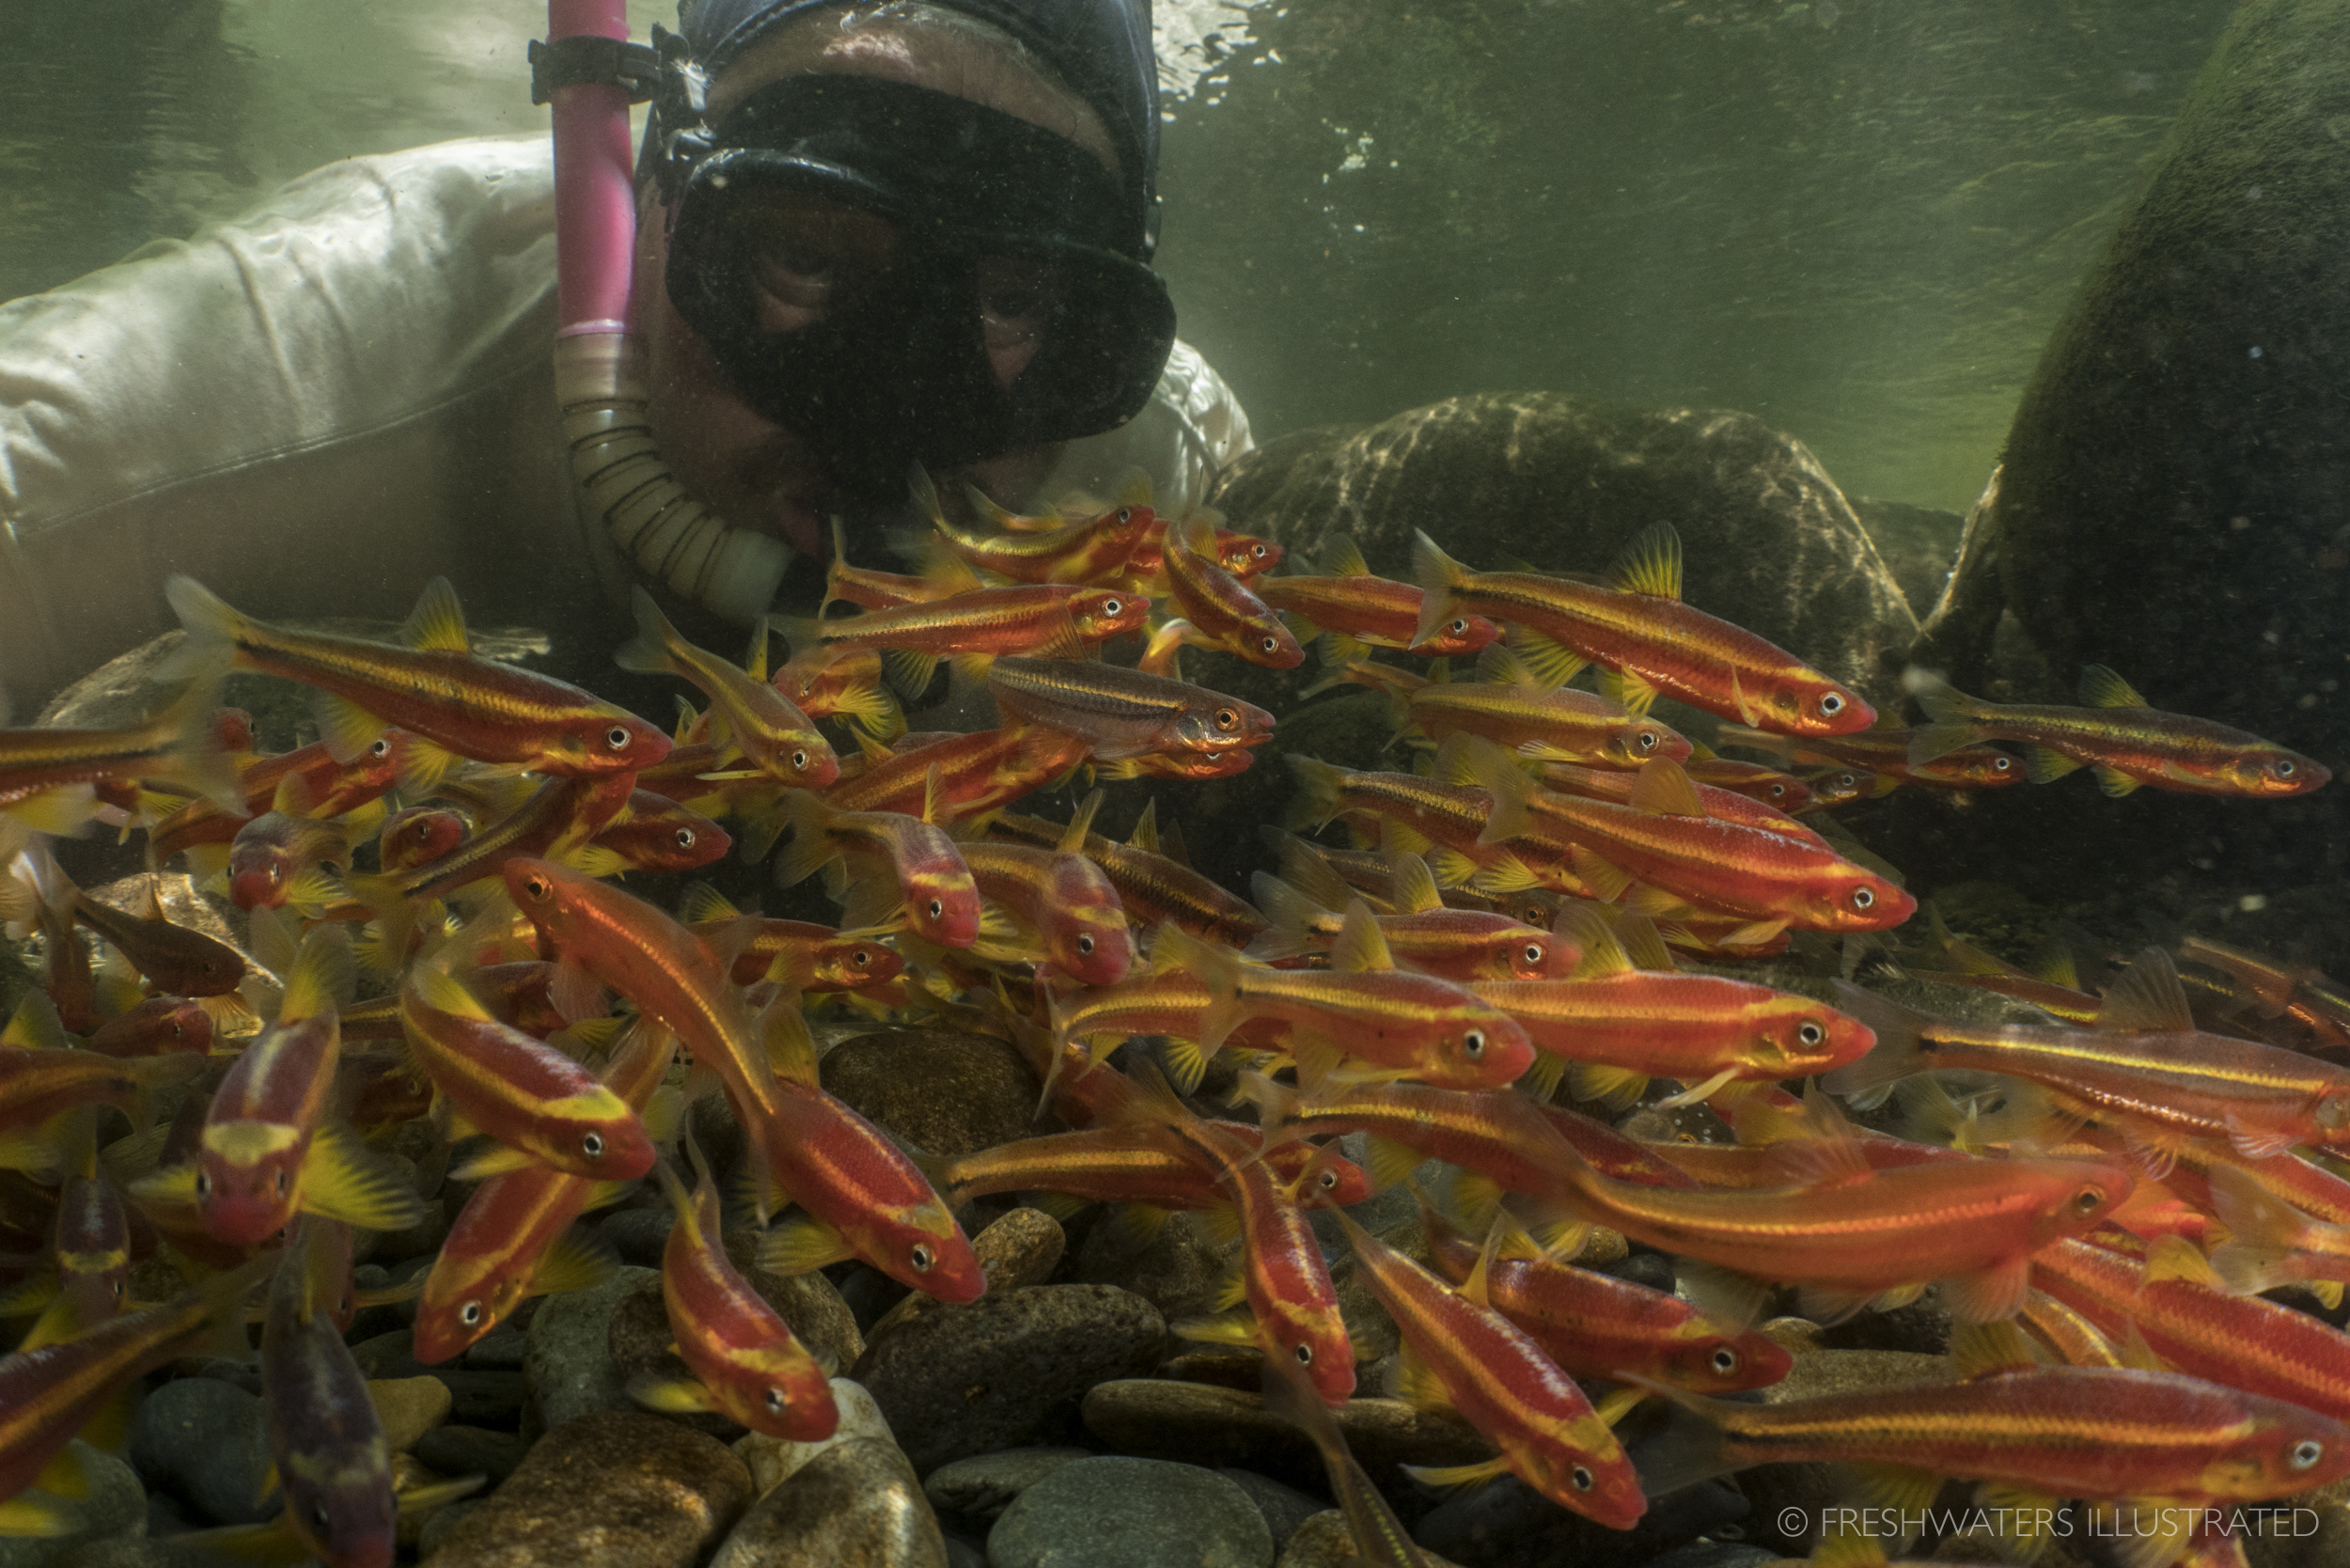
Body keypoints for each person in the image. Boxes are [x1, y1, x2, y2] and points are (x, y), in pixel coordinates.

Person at [0, 0, 1250, 706]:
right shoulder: (291, 385)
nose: (889, 423)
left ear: (1104, 335)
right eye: (801, 260)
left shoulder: (1144, 474)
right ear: (655, 207)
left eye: (1016, 304)